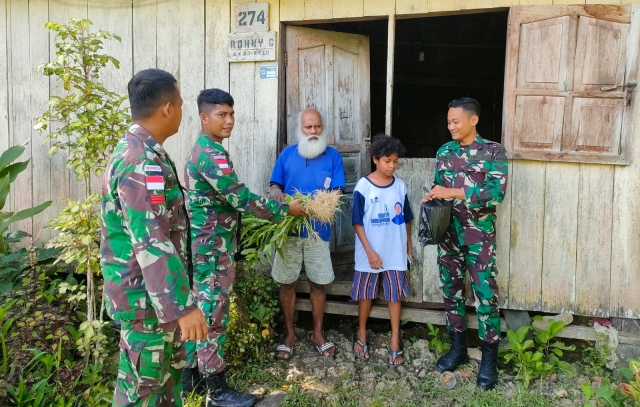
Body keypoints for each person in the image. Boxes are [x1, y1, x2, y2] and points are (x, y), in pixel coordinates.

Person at [183, 88, 306, 407]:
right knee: (211, 314)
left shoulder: (206, 149)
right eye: (221, 114)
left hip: (211, 247)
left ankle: (191, 381)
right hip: (212, 250)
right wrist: (284, 211)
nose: (229, 120)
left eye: (232, 114)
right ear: (204, 117)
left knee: (203, 309)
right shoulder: (210, 154)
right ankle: (217, 392)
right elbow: (240, 197)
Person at [101, 68, 208, 407]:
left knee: (165, 388)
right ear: (166, 108)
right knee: (142, 392)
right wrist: (183, 305)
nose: (180, 111)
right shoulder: (139, 160)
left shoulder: (145, 151)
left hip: (156, 300)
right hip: (146, 302)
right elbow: (151, 240)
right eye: (179, 103)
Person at [421, 97, 508, 390]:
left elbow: (494, 194)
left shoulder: (494, 152)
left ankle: (488, 359)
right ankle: (457, 349)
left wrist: (453, 191)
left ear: (474, 120)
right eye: (448, 122)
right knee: (451, 292)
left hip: (479, 239)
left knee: (486, 296)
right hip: (449, 235)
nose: (451, 126)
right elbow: (440, 189)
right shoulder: (444, 152)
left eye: (455, 121)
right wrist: (433, 196)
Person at [268, 108, 346, 360]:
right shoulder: (287, 154)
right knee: (287, 283)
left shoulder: (333, 156)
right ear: (300, 129)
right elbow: (274, 186)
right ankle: (289, 334)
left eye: (317, 127)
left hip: (318, 232)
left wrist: (319, 206)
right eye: (308, 127)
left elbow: (337, 192)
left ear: (323, 128)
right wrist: (277, 196)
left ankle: (317, 333)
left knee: (318, 284)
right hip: (288, 230)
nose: (313, 132)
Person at [350, 134, 413, 367]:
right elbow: (357, 221)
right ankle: (362, 332)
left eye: (396, 161)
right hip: (370, 252)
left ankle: (396, 338)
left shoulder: (400, 186)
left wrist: (408, 246)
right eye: (388, 161)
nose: (392, 166)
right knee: (366, 294)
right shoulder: (363, 186)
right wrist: (369, 251)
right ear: (375, 159)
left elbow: (406, 219)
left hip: (394, 251)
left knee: (394, 295)